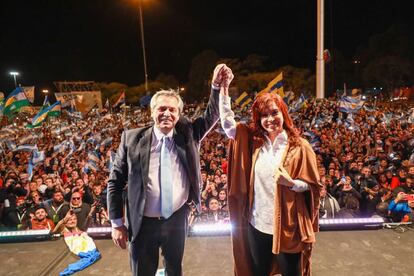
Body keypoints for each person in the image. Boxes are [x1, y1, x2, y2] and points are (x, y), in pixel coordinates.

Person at [107, 64, 230, 276]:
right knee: (143, 272)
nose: (166, 113)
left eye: (172, 109)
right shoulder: (131, 138)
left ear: (179, 114)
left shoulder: (188, 134)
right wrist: (117, 224)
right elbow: (115, 182)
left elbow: (212, 114)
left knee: (175, 270)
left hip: (176, 218)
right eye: (161, 108)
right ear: (152, 111)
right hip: (142, 222)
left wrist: (216, 86)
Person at [219, 69, 321, 276]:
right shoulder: (253, 143)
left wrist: (292, 183)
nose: (270, 119)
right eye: (263, 116)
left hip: (288, 228)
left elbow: (314, 187)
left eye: (274, 113)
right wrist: (223, 88)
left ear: (284, 113)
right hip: (257, 225)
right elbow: (228, 124)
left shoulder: (300, 146)